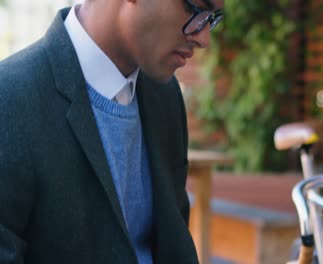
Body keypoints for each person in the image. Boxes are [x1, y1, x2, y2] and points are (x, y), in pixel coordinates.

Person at [0, 0, 223, 263]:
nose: (204, 37)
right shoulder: (11, 99)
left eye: (211, 17)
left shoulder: (165, 96)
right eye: (194, 9)